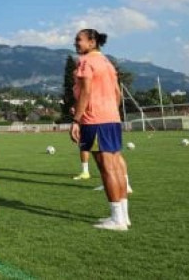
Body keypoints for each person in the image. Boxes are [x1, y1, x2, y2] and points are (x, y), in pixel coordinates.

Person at [70, 29, 130, 231]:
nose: (76, 43)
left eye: (79, 40)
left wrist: (76, 120)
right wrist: (111, 111)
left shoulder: (86, 61)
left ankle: (117, 220)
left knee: (106, 169)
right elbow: (117, 93)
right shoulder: (107, 62)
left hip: (95, 120)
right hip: (112, 118)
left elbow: (86, 91)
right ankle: (123, 216)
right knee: (116, 167)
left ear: (92, 42)